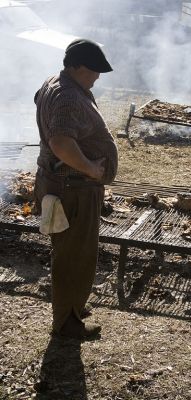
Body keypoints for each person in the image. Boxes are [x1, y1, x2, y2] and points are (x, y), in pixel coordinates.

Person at [34, 38, 118, 339]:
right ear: (76, 66)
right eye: (93, 71)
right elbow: (60, 142)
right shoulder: (68, 96)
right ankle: (67, 323)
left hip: (61, 184)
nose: (96, 78)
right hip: (74, 189)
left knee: (69, 250)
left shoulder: (54, 83)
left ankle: (73, 306)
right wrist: (92, 169)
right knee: (74, 255)